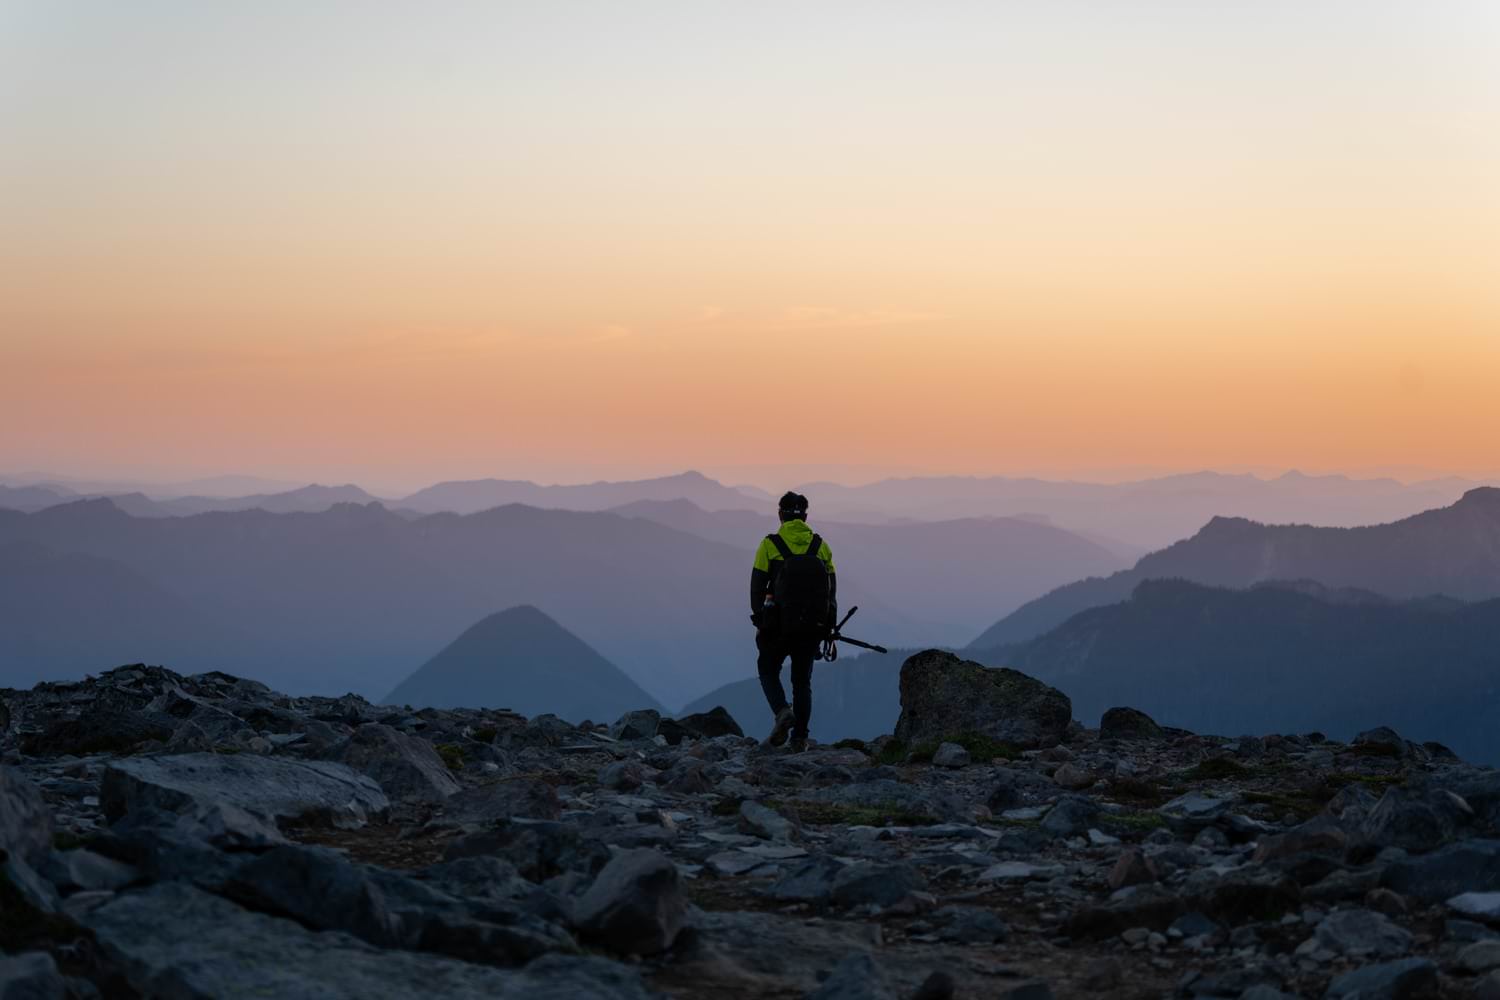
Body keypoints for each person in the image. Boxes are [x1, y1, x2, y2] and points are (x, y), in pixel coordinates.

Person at [749, 491, 836, 752]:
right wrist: (828, 627)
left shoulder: (770, 545)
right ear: (806, 517)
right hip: (812, 627)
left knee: (767, 668)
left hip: (778, 626)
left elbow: (756, 589)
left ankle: (782, 711)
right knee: (802, 681)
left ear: (780, 515)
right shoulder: (820, 546)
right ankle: (800, 738)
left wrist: (761, 621)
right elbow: (831, 593)